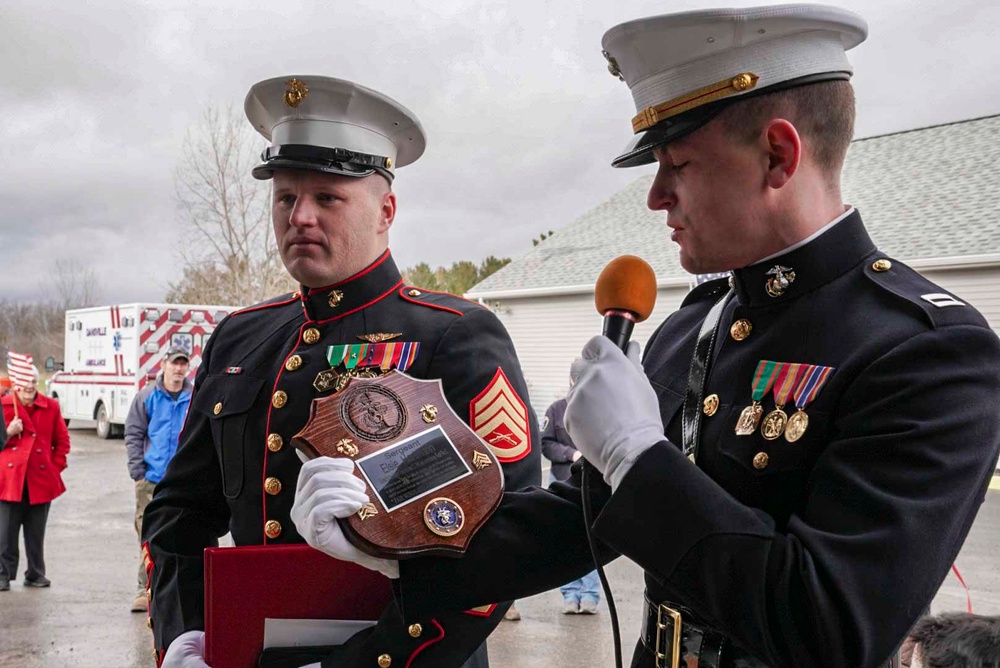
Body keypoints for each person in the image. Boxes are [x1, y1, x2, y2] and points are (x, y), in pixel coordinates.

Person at [292, 6, 1000, 668]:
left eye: (678, 164)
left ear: (779, 157)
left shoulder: (927, 350)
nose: (657, 196)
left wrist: (638, 457)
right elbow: (582, 520)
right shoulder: (697, 323)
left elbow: (832, 621)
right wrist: (391, 546)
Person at [141, 75, 540, 668]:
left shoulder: (452, 335)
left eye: (327, 197)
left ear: (386, 210)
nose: (300, 216)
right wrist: (186, 636)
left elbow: (507, 532)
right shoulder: (240, 336)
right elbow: (180, 510)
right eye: (285, 198)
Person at [125, 345, 192, 612]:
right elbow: (133, 434)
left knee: (183, 535)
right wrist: (138, 473)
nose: (178, 369)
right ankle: (144, 589)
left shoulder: (194, 397)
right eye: (174, 363)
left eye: (183, 364)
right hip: (151, 480)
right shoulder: (147, 397)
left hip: (183, 480)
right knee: (148, 535)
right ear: (164, 365)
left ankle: (177, 592)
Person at [0, 367, 71, 591]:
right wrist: (9, 431)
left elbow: (62, 441)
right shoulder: (3, 407)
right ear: (15, 385)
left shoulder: (51, 407)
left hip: (39, 480)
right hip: (9, 480)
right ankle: (3, 574)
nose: (29, 386)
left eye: (33, 380)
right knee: (5, 534)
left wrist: (54, 467)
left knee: (35, 533)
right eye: (24, 381)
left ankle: (35, 573)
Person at [540, 390, 599, 615]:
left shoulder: (598, 409)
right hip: (562, 480)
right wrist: (569, 453)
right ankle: (570, 595)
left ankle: (590, 596)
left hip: (590, 484)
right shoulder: (555, 411)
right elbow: (545, 444)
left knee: (590, 540)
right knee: (565, 539)